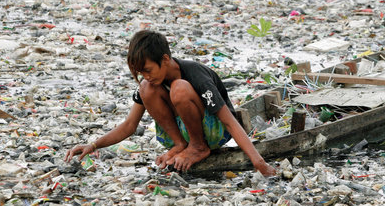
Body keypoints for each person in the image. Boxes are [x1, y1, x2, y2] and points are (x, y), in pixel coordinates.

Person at [65, 30, 276, 176]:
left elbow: (229, 121)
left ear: (165, 59)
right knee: (146, 89)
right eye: (141, 72)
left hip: (215, 132)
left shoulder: (195, 75)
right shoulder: (150, 83)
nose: (146, 76)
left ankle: (198, 147)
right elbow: (130, 125)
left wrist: (259, 163)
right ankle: (180, 144)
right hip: (183, 133)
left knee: (179, 88)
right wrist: (92, 145)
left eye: (148, 70)